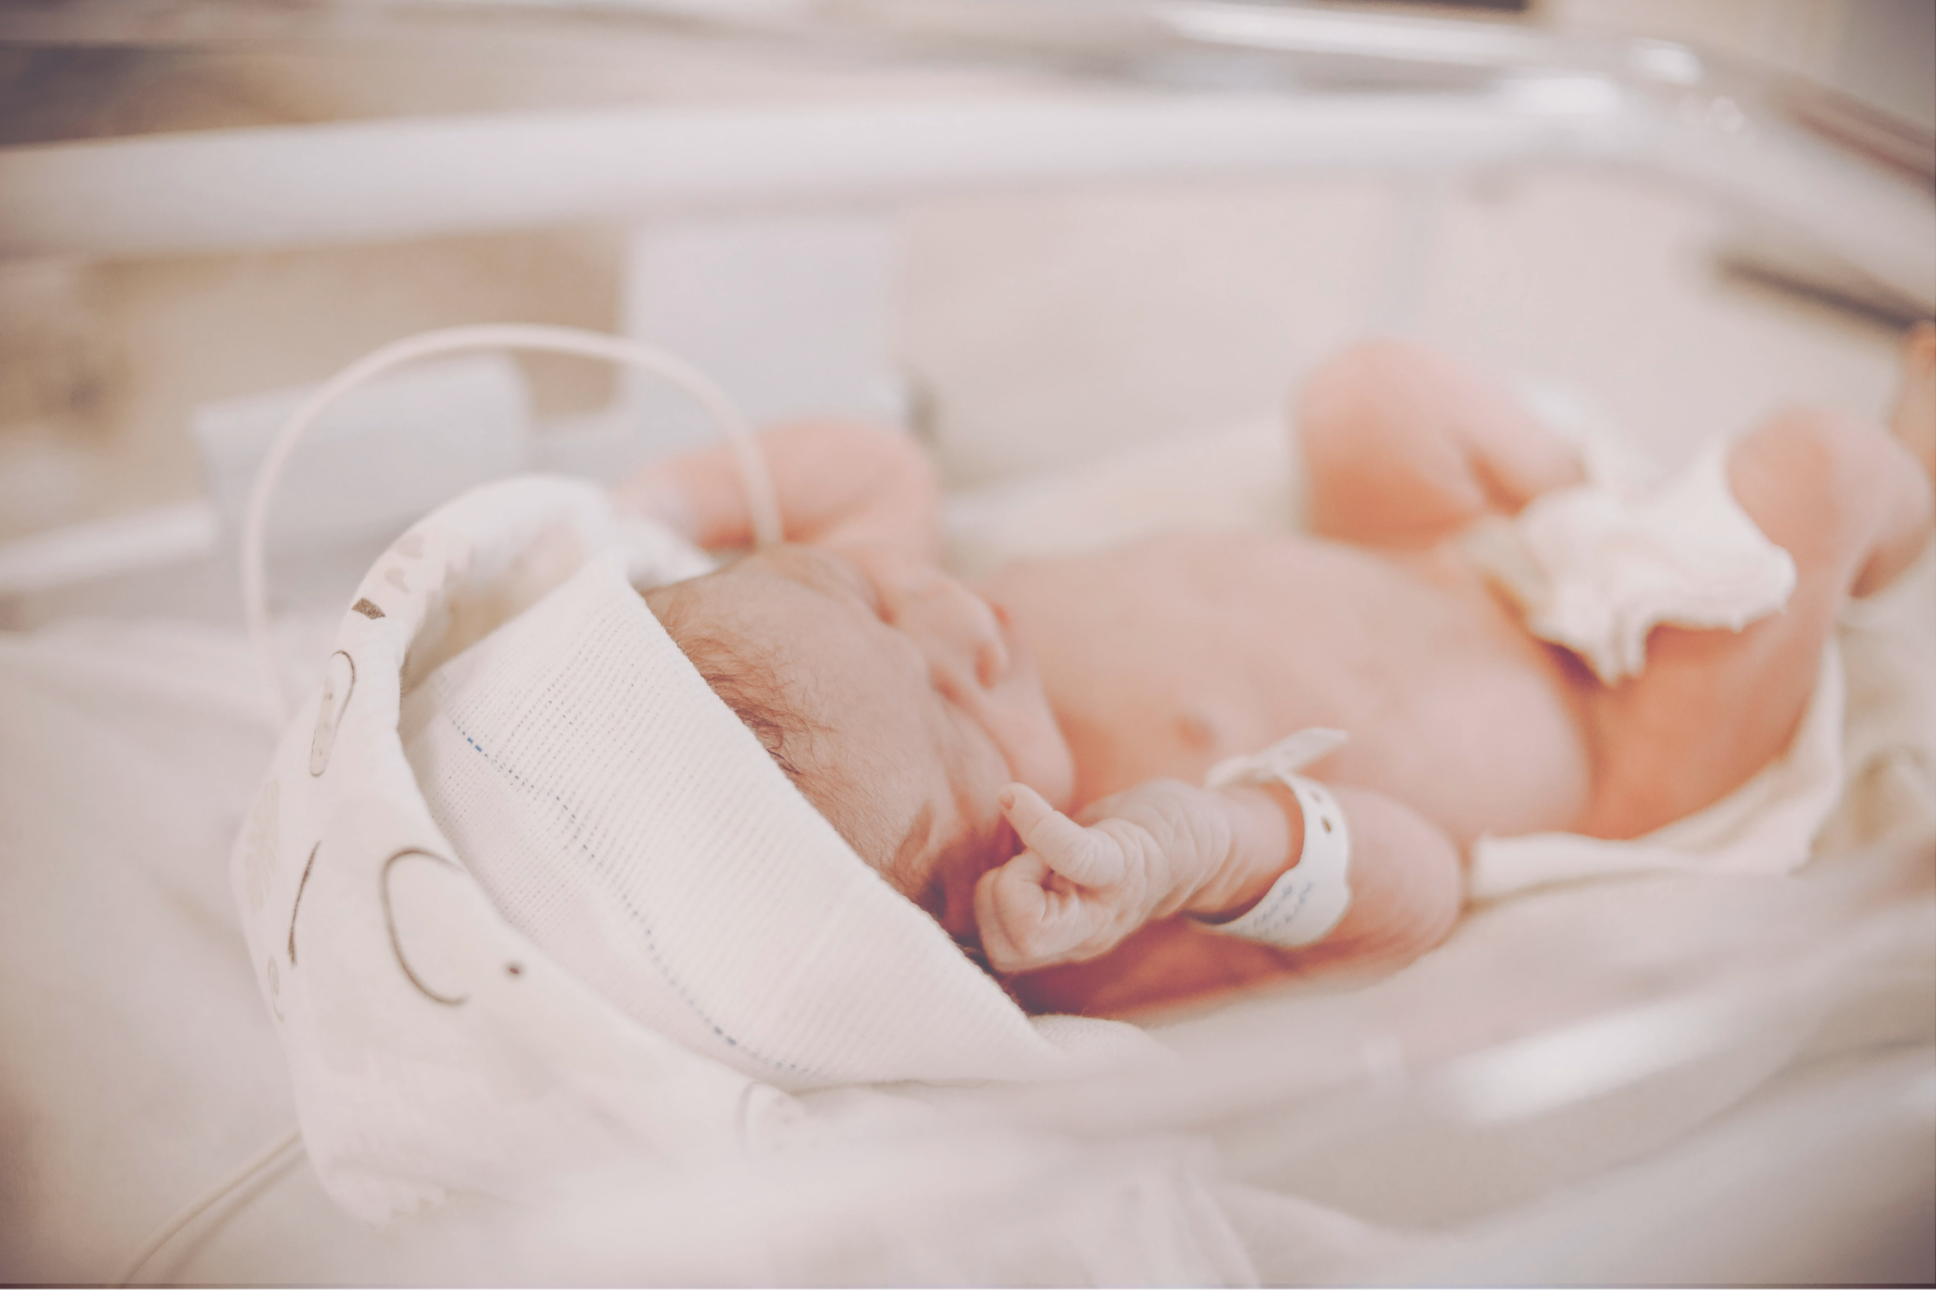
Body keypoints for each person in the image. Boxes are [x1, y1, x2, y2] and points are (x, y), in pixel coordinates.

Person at [614, 331, 1936, 1017]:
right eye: (962, 718)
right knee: (1822, 467)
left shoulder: (873, 664)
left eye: (868, 596)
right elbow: (1415, 893)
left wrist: (650, 502)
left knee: (1367, 393)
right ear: (966, 921)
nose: (957, 620)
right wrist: (1210, 847)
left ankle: (1622, 526)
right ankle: (1910, 469)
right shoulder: (1098, 917)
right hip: (1618, 744)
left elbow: (876, 471)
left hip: (1435, 559)